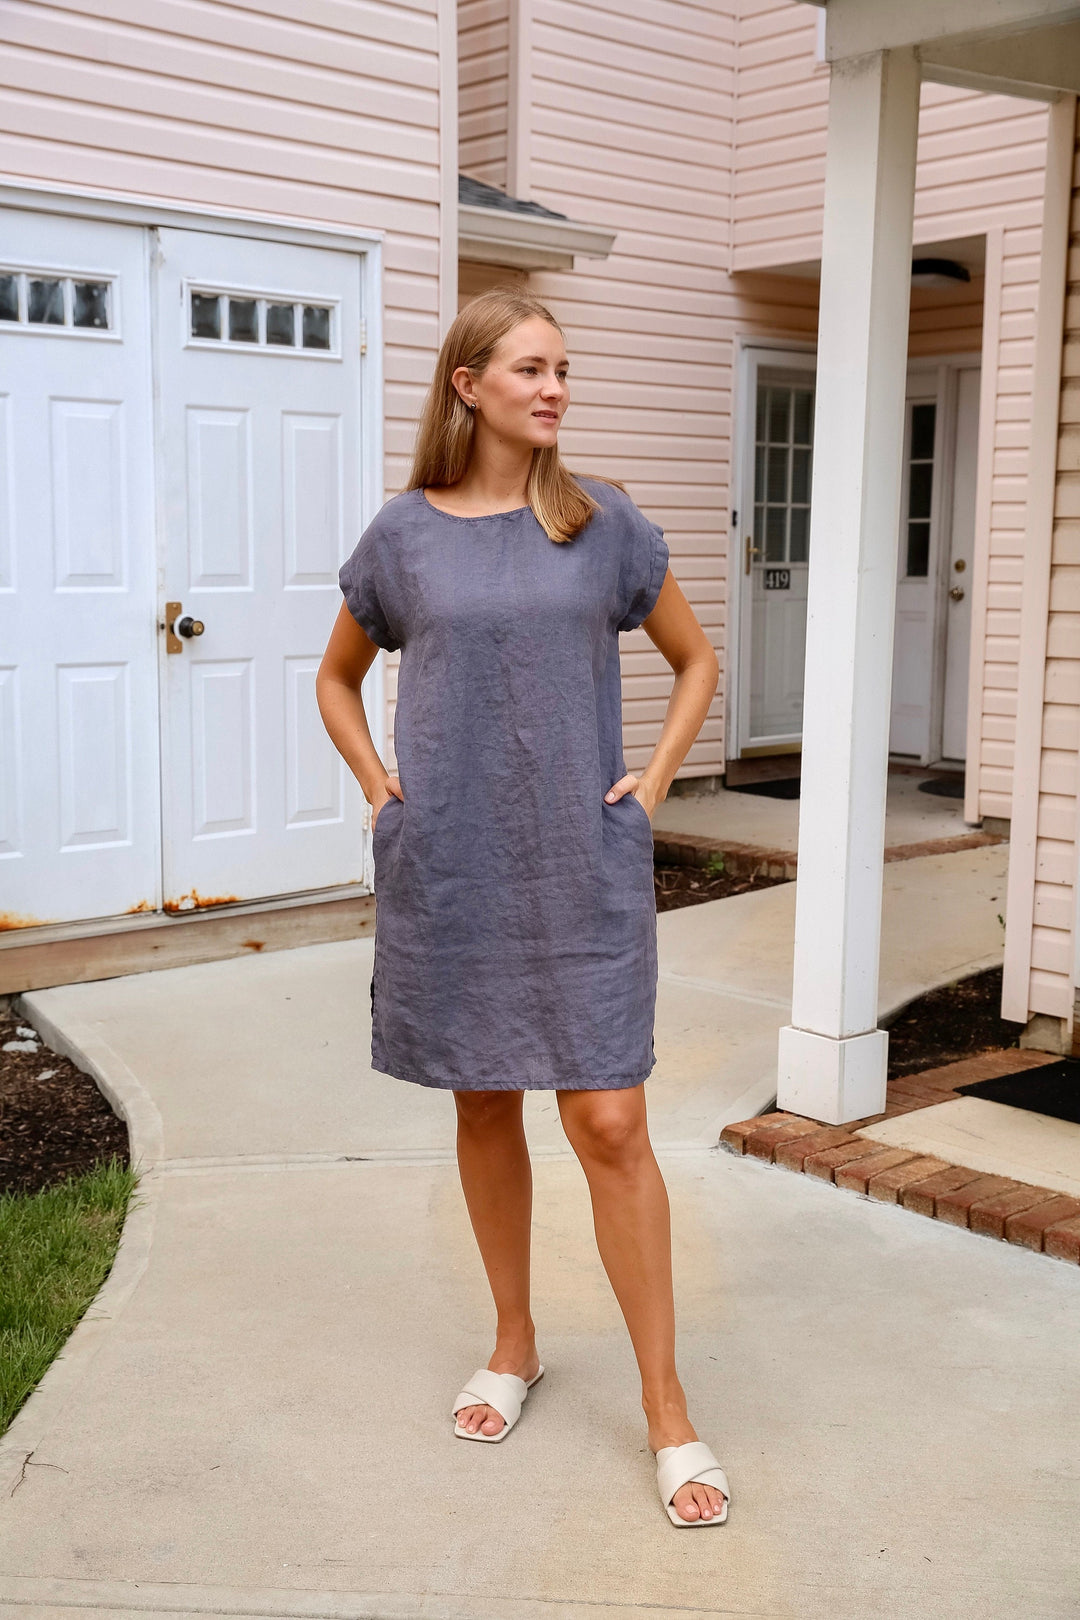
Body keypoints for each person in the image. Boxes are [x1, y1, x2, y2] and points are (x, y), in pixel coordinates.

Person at [316, 287, 728, 1527]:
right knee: (485, 1098)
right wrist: (385, 792)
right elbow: (337, 678)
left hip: (578, 862)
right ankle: (515, 1339)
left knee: (609, 1122)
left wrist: (650, 781)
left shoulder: (601, 527)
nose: (554, 389)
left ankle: (667, 1407)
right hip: (454, 866)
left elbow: (694, 657)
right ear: (468, 384)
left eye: (563, 371)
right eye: (532, 369)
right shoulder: (403, 538)